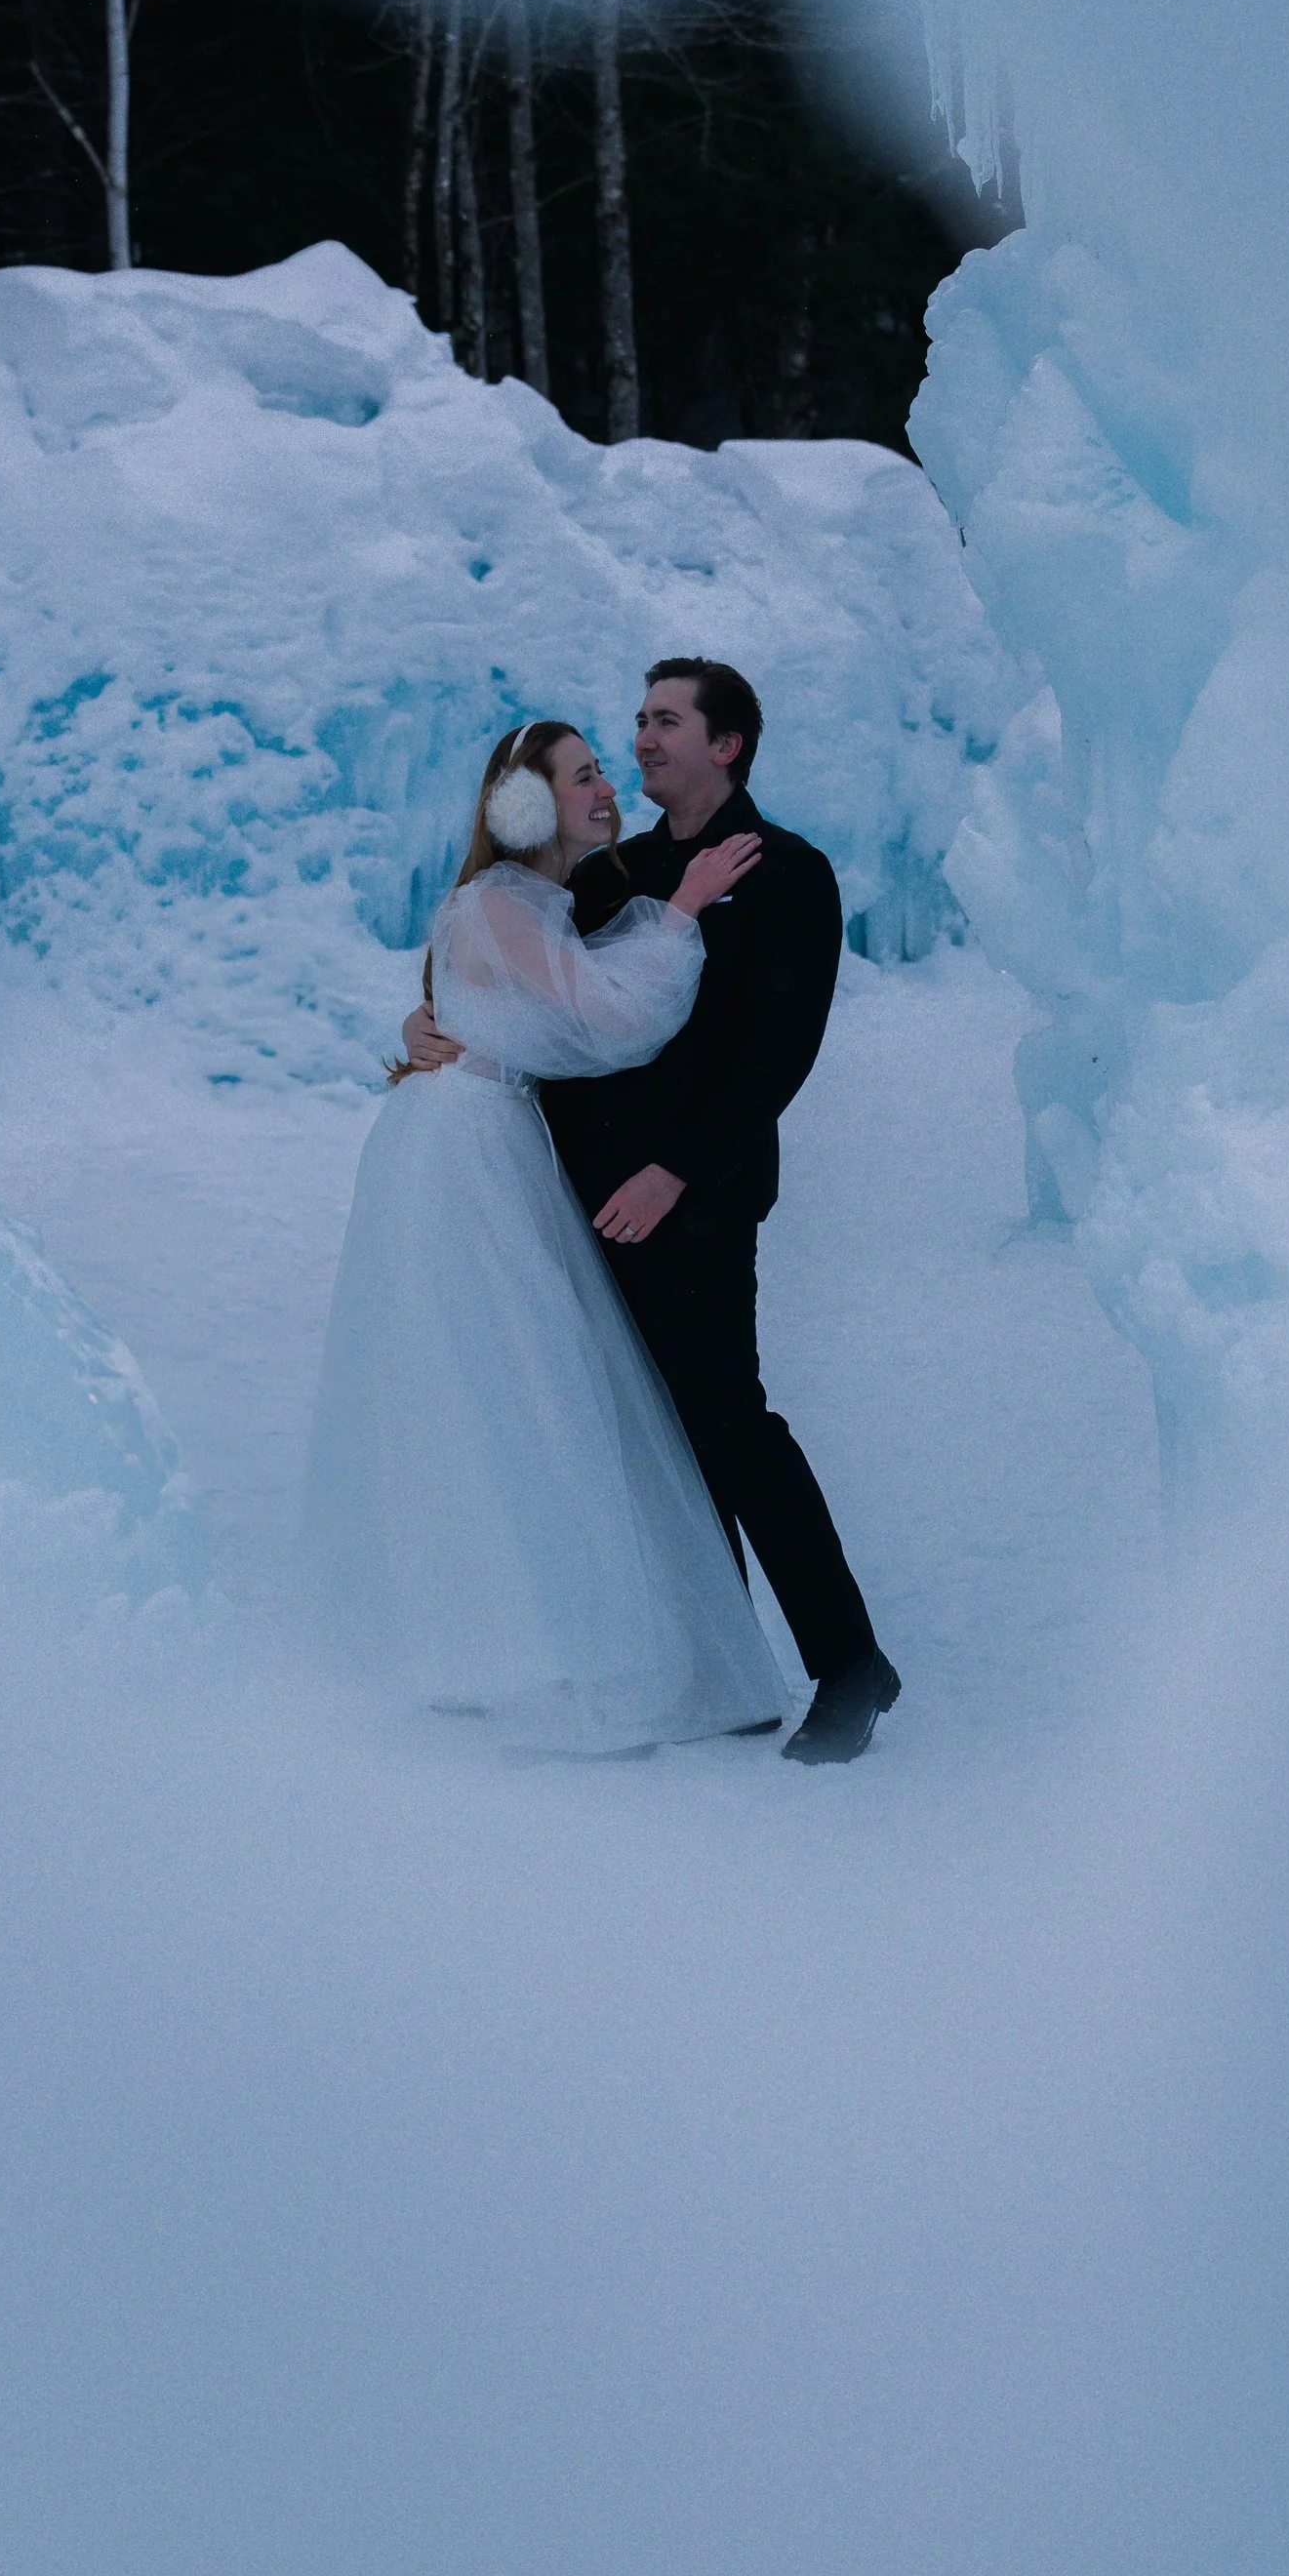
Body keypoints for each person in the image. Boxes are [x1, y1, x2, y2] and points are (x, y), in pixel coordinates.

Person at [405, 660, 900, 1767]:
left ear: (727, 744)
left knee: (728, 1423)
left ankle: (851, 1662)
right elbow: (509, 968)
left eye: (664, 721)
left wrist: (676, 1168)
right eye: (634, 723)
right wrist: (421, 1018)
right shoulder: (612, 869)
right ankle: (711, 1667)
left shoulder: (788, 875)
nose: (641, 741)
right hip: (575, 1199)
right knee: (648, 1436)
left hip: (695, 1197)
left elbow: (778, 1054)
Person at [302, 718, 784, 1756]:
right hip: (464, 1148)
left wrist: (424, 1017)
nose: (605, 788)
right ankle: (548, 1648)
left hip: (482, 1135)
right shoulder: (499, 900)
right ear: (523, 806)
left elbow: (511, 1003)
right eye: (580, 777)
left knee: (514, 1377)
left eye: (602, 771)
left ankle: (532, 1636)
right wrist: (686, 909)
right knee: (522, 1378)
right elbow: (605, 1021)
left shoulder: (529, 903)